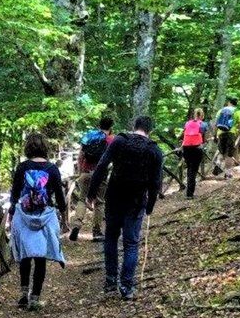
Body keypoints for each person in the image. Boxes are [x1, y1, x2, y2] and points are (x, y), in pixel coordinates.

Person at [88, 116, 163, 301]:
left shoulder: (119, 140)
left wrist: (91, 192)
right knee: (131, 243)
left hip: (114, 197)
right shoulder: (154, 150)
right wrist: (150, 206)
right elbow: (156, 182)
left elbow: (102, 166)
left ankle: (111, 280)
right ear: (149, 130)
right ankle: (126, 285)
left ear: (134, 126)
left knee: (111, 238)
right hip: (136, 202)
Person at [8, 132, 67, 311]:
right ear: (44, 147)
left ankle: (23, 293)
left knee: (26, 255)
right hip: (44, 217)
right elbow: (59, 195)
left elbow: (15, 193)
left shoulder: (22, 167)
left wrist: (12, 213)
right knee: (40, 257)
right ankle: (35, 297)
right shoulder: (51, 169)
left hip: (25, 216)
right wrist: (64, 217)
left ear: (28, 148)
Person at [69, 115, 114, 241]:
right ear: (111, 127)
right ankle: (97, 232)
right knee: (99, 202)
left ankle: (77, 225)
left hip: (85, 172)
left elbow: (80, 156)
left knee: (82, 199)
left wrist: (80, 172)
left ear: (99, 124)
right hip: (100, 175)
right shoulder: (110, 139)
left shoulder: (89, 135)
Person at [179, 108, 208, 198]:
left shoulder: (187, 123)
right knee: (193, 170)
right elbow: (204, 138)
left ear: (194, 115)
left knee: (189, 169)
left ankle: (188, 192)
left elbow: (182, 135)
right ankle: (190, 194)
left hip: (186, 148)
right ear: (202, 115)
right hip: (197, 148)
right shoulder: (203, 124)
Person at [212, 97, 240, 177]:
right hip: (231, 133)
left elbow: (215, 124)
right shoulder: (237, 111)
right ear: (236, 104)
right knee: (229, 154)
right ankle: (228, 173)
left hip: (221, 133)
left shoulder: (221, 111)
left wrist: (215, 135)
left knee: (221, 151)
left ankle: (218, 163)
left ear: (229, 102)